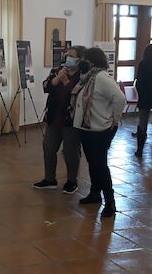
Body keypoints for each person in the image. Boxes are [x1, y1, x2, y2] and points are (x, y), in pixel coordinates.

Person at [71, 47, 126, 218]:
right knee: (93, 163)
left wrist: (115, 119)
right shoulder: (88, 78)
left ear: (92, 62)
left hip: (100, 129)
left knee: (100, 165)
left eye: (85, 60)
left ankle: (110, 202)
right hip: (87, 128)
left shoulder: (101, 78)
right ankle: (95, 193)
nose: (82, 63)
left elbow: (120, 98)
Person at [34, 45, 86, 194]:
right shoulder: (57, 71)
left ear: (79, 59)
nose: (67, 58)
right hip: (54, 117)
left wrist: (65, 82)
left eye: (72, 56)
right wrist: (58, 79)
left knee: (70, 152)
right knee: (48, 147)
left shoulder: (83, 75)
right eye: (67, 55)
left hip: (71, 119)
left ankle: (72, 181)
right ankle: (50, 179)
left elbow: (77, 93)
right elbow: (46, 86)